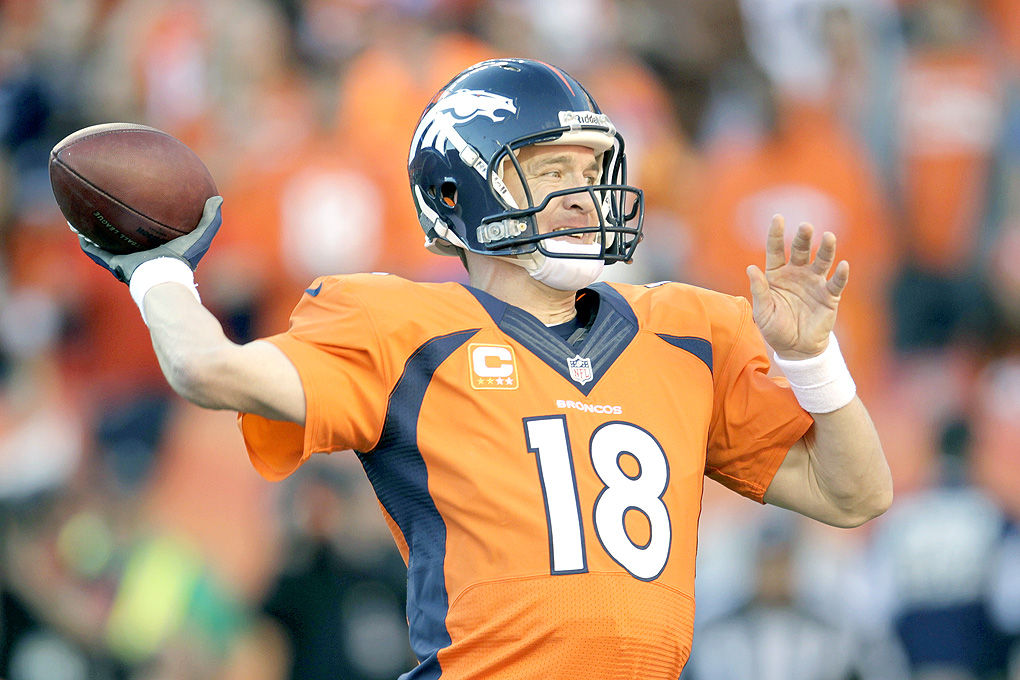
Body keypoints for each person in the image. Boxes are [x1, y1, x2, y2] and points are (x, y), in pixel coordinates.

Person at [77, 58, 893, 679]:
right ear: (459, 191)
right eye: (547, 171)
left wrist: (813, 357)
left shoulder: (686, 330)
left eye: (588, 171)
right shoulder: (402, 325)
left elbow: (856, 493)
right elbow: (206, 371)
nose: (580, 195)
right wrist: (158, 270)